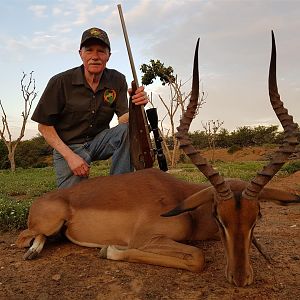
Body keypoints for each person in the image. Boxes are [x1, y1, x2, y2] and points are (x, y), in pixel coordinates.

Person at [31, 27, 148, 189]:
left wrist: (135, 106)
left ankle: (119, 187)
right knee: (73, 202)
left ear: (108, 56)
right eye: (89, 50)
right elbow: (44, 126)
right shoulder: (60, 82)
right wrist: (71, 157)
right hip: (68, 148)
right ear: (80, 54)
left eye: (101, 51)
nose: (95, 57)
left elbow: (123, 120)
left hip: (98, 142)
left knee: (128, 130)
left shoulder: (117, 79)